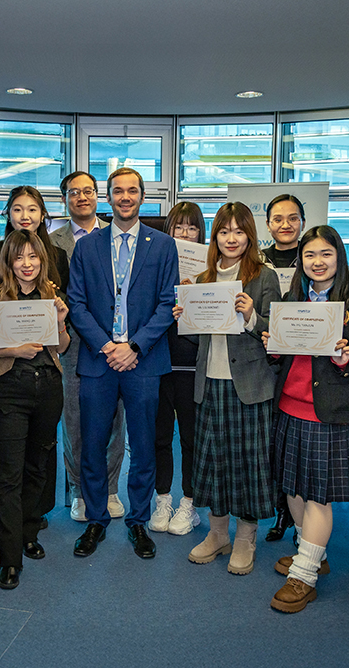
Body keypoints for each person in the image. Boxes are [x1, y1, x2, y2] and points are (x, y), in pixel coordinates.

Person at [67, 167, 178, 559]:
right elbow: (76, 304)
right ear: (108, 197)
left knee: (144, 446)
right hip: (98, 361)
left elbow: (167, 303)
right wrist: (105, 345)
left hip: (143, 361)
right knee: (93, 445)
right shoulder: (87, 247)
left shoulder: (163, 245)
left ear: (142, 196)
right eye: (118, 191)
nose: (125, 197)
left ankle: (138, 521)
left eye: (132, 190)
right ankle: (96, 519)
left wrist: (134, 346)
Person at [265, 225, 349, 613]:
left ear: (339, 257)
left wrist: (348, 360)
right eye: (310, 255)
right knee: (292, 488)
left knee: (317, 495)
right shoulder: (290, 299)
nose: (317, 262)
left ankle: (305, 575)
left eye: (326, 254)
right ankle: (313, 553)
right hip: (288, 406)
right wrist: (273, 346)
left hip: (328, 413)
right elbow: (282, 355)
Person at [174, 202, 280, 573]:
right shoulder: (202, 279)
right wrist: (184, 318)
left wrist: (251, 316)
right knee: (213, 462)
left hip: (249, 385)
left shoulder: (264, 277)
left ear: (250, 235)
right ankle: (218, 533)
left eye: (238, 231)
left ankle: (246, 537)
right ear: (214, 236)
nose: (231, 238)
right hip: (210, 382)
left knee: (249, 464)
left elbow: (276, 334)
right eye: (223, 231)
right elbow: (198, 337)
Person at [0, 230, 71, 590]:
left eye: (33, 256)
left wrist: (60, 319)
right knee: (8, 474)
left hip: (48, 388)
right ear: (9, 261)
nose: (27, 264)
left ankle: (29, 533)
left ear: (42, 260)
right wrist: (13, 351)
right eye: (19, 257)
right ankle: (9, 557)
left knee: (38, 466)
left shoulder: (52, 295)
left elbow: (62, 346)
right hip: (11, 389)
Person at [51, 171, 126, 523]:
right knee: (74, 421)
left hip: (115, 344)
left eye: (88, 191)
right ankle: (79, 491)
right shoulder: (51, 243)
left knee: (114, 420)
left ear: (99, 196)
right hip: (72, 343)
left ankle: (109, 488)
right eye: (73, 192)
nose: (82, 197)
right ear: (64, 199)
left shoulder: (118, 234)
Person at [0, 185, 70, 522]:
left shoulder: (56, 256)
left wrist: (58, 319)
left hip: (46, 365)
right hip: (8, 371)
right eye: (17, 209)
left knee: (41, 452)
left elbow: (63, 316)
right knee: (9, 458)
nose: (25, 216)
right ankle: (11, 520)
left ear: (43, 214)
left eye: (32, 209)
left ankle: (36, 513)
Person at [149, 202, 206, 535]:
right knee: (159, 436)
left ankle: (189, 502)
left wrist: (195, 295)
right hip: (158, 361)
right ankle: (162, 498)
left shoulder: (211, 272)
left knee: (190, 438)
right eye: (178, 227)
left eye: (192, 227)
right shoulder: (154, 264)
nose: (184, 234)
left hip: (192, 364)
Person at [260, 193, 306, 544]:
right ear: (268, 224)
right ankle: (281, 510)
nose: (285, 225)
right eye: (278, 219)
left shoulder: (314, 256)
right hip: (266, 361)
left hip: (304, 361)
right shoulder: (257, 261)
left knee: (301, 445)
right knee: (274, 443)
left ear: (303, 222)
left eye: (292, 218)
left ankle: (303, 517)